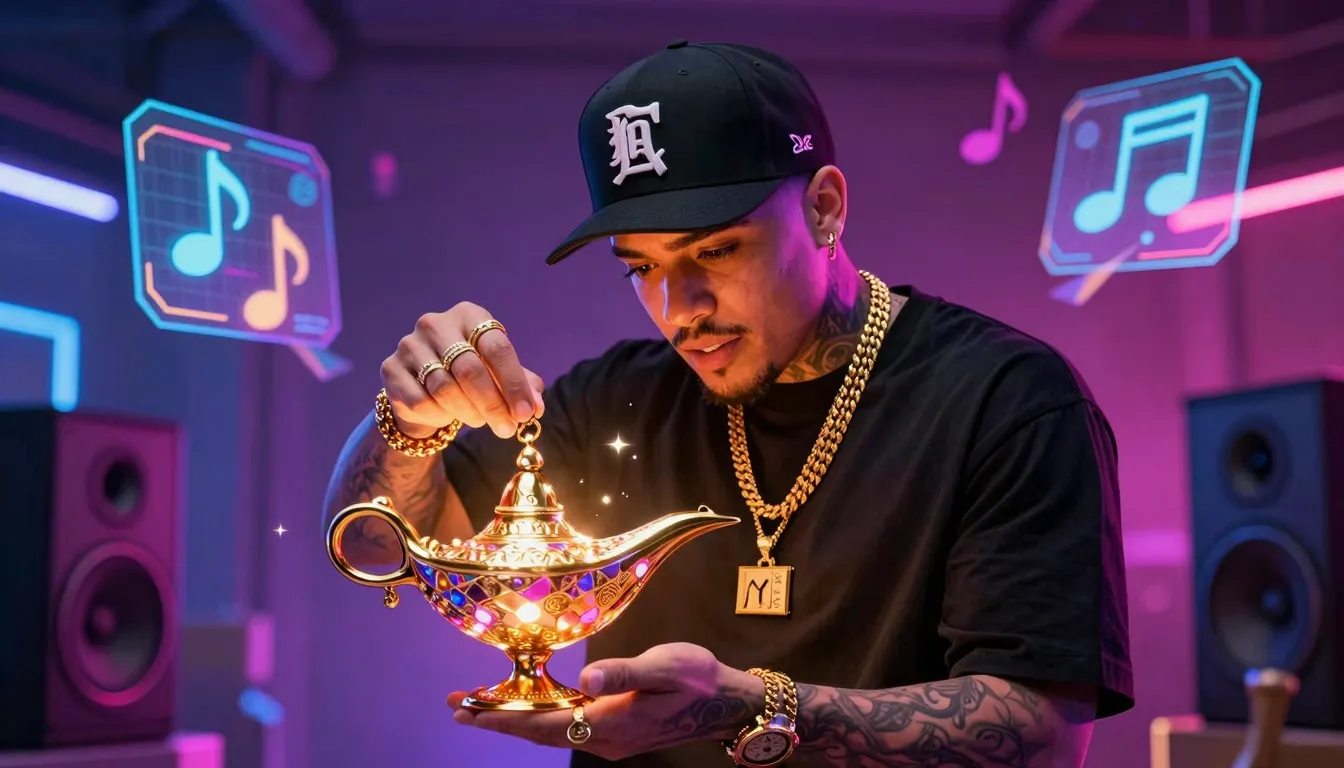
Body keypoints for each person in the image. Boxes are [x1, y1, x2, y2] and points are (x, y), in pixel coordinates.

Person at [323, 40, 1132, 768]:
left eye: (715, 249)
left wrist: (755, 709)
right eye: (640, 267)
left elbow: (1042, 739)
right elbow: (376, 544)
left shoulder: (1007, 401)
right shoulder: (614, 396)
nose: (679, 308)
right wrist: (408, 421)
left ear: (824, 207)